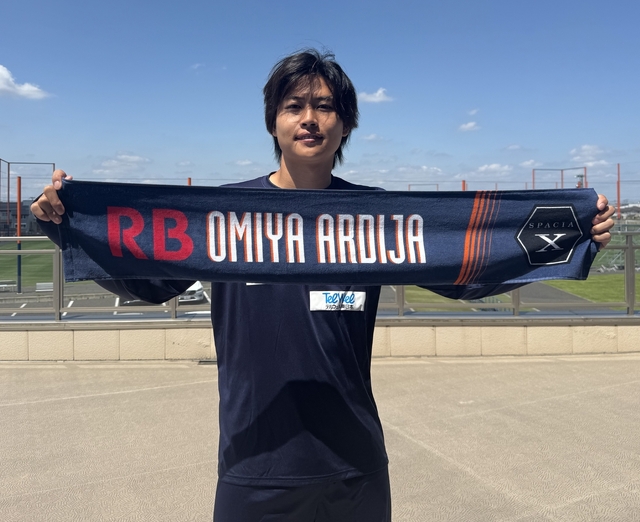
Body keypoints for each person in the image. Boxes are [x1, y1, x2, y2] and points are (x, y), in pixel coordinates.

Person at [32, 49, 615, 521]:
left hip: (353, 464)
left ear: (346, 124)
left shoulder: (377, 218)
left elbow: (465, 273)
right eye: (294, 106)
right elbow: (150, 283)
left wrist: (573, 236)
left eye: (325, 107)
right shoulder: (221, 214)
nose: (309, 118)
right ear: (274, 122)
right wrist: (68, 226)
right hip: (254, 464)